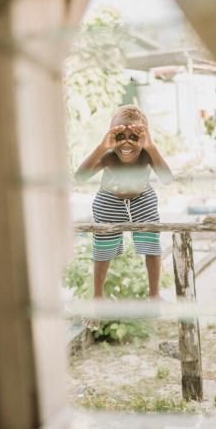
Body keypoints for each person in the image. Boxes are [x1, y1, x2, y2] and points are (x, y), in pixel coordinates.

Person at [75, 105, 173, 300]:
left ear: (144, 138)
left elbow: (167, 179)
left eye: (134, 137)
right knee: (103, 248)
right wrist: (102, 147)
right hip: (109, 200)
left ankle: (154, 294)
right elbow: (80, 177)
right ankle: (98, 296)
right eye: (120, 137)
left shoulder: (147, 155)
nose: (126, 143)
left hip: (142, 200)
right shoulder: (109, 156)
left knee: (151, 242)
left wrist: (151, 147)